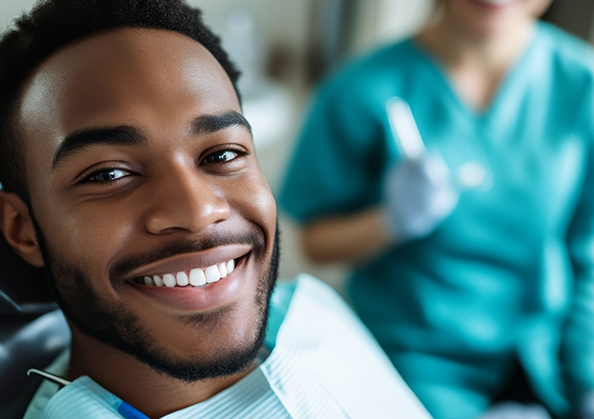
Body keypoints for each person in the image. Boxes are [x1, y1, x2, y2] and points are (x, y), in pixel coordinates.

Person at [0, 1, 433, 418]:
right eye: (109, 174)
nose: (198, 210)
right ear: (23, 230)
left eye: (222, 155)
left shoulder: (310, 314)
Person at [280, 0, 594, 418]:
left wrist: (586, 378)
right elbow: (315, 241)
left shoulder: (581, 85)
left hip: (545, 356)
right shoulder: (363, 86)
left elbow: (589, 255)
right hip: (414, 362)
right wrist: (389, 222)